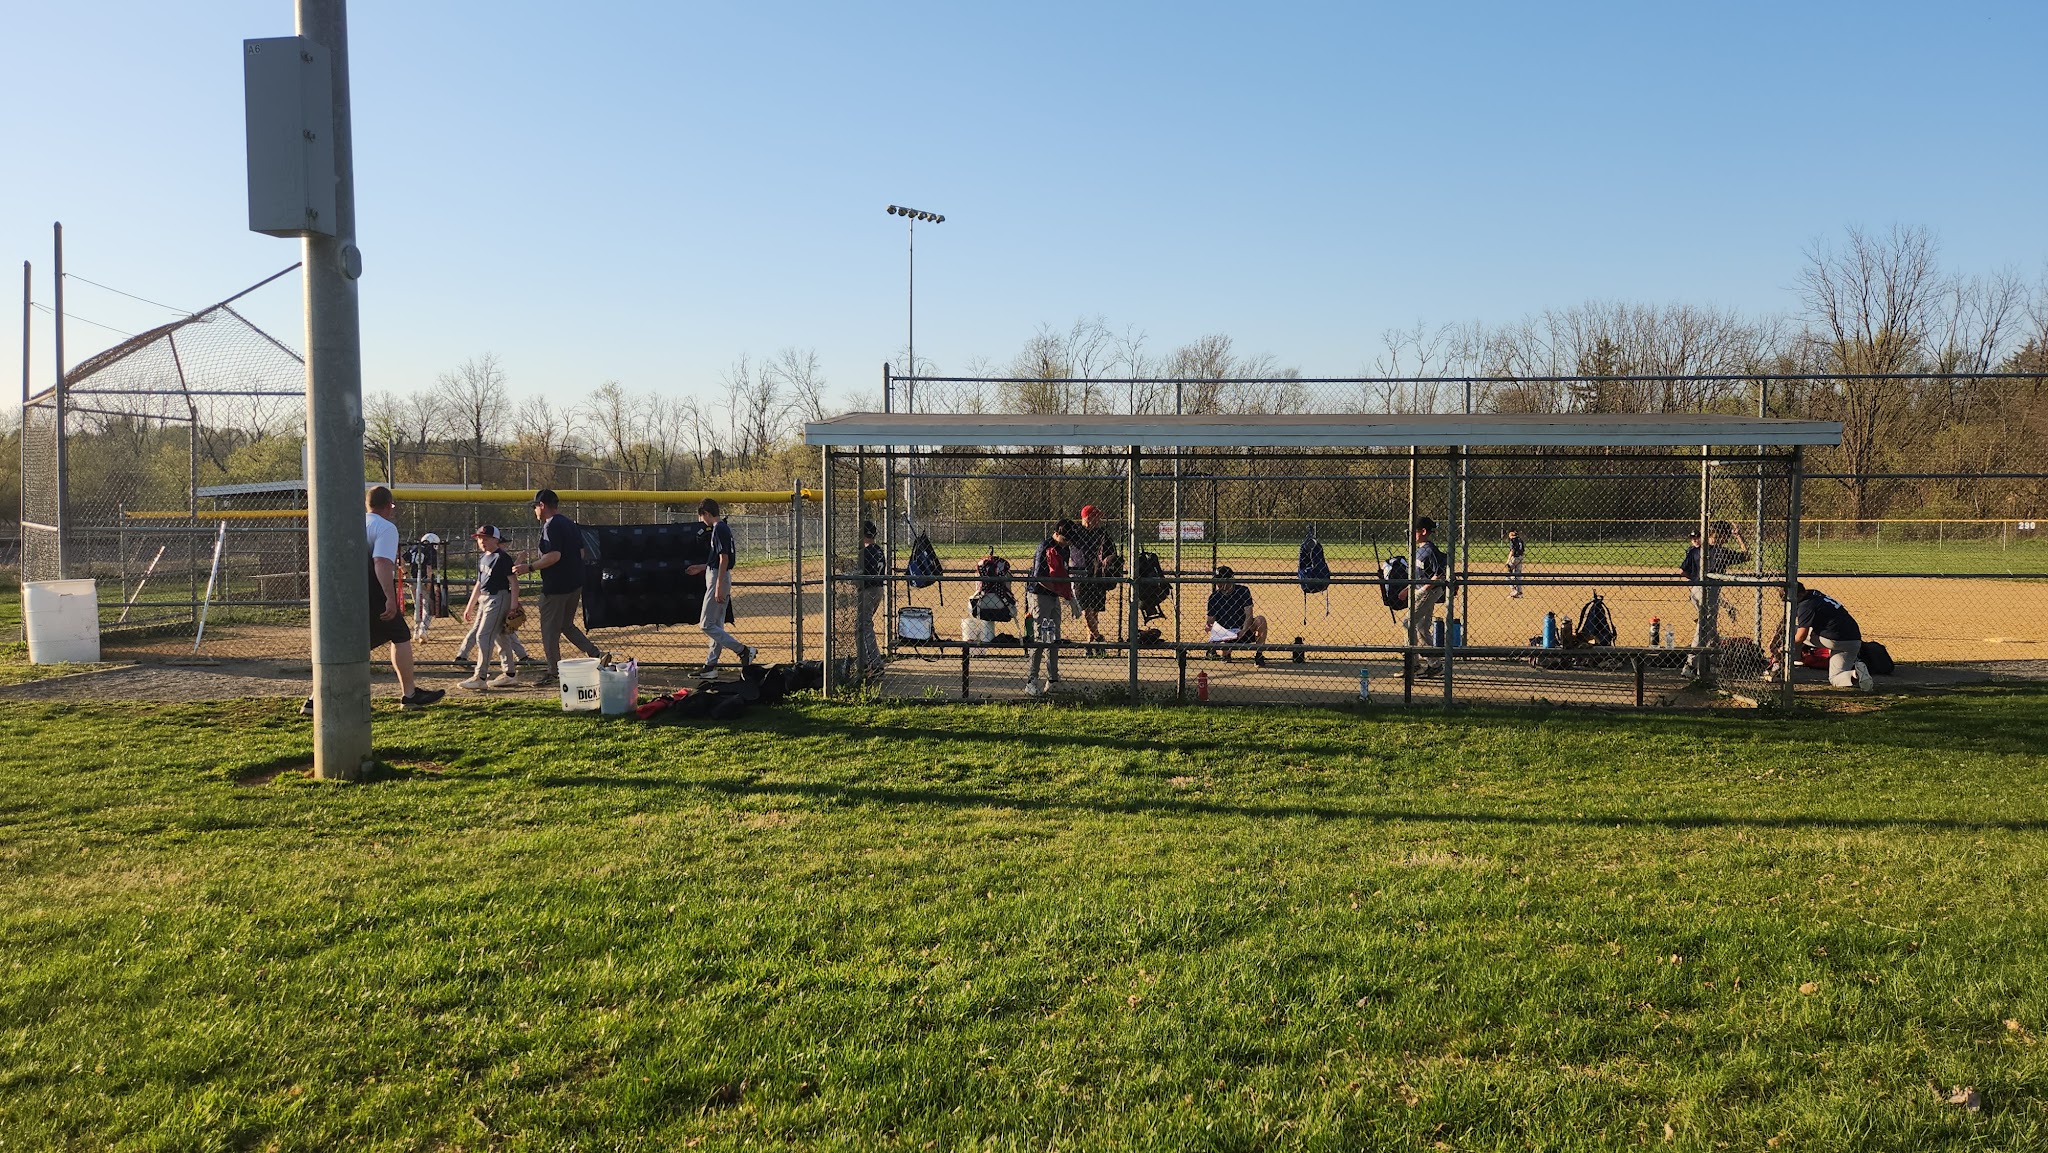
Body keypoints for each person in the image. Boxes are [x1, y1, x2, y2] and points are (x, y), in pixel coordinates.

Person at [511, 489, 603, 686]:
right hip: (574, 584)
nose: (535, 510)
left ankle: (553, 672)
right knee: (566, 625)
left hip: (556, 588)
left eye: (535, 506)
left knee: (550, 630)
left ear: (542, 505)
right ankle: (596, 654)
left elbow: (554, 556)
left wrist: (528, 567)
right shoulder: (569, 523)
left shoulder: (550, 525)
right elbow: (581, 552)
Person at [364, 486, 444, 709]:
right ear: (389, 505)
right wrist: (390, 597)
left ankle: (316, 697)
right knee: (399, 634)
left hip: (347, 589)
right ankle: (410, 694)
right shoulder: (385, 527)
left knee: (359, 641)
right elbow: (381, 562)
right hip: (372, 587)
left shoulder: (354, 522)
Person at [690, 497, 756, 676]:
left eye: (701, 516)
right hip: (718, 574)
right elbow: (719, 559)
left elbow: (724, 559)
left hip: (718, 578)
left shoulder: (719, 528)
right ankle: (710, 666)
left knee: (705, 624)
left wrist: (719, 585)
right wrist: (702, 567)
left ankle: (743, 650)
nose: (701, 520)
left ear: (707, 513)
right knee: (716, 624)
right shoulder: (722, 528)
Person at [456, 524, 521, 691]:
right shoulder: (484, 557)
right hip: (485, 599)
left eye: (486, 538)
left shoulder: (502, 557)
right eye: (479, 538)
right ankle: (510, 675)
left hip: (498, 598)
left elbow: (513, 582)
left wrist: (513, 606)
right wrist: (470, 605)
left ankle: (481, 677)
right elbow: (479, 583)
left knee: (483, 636)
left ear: (496, 539)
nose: (482, 541)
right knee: (500, 636)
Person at [1681, 521, 1749, 676]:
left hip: (1695, 590)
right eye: (1727, 537)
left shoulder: (1696, 549)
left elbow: (1683, 571)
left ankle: (1713, 662)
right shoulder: (1721, 552)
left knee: (1711, 629)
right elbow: (1746, 555)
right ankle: (1690, 666)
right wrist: (1739, 537)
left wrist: (1695, 584)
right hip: (1710, 591)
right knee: (1703, 629)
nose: (1727, 540)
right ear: (1723, 535)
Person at [1776, 583, 1874, 691]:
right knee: (1835, 678)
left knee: (1793, 632)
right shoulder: (1814, 593)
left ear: (1798, 596)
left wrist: (1784, 648)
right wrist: (1775, 638)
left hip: (1834, 639)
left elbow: (1801, 637)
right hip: (1853, 641)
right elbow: (1789, 616)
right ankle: (1857, 674)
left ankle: (1790, 661)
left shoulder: (1806, 605)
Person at [1023, 519, 1077, 696]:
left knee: (1053, 637)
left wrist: (1069, 595)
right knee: (1040, 638)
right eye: (1066, 538)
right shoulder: (1045, 547)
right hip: (1040, 595)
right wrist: (1061, 592)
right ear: (1057, 533)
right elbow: (1040, 577)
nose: (1068, 542)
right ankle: (1032, 681)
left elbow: (1062, 573)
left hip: (1053, 597)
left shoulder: (1065, 548)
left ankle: (1053, 680)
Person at [1068, 504, 1117, 643]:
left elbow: (1111, 552)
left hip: (1097, 575)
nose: (1099, 520)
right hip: (1079, 576)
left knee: (1094, 610)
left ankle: (1090, 643)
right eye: (1097, 517)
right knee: (1086, 610)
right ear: (1088, 518)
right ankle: (1098, 637)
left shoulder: (1102, 533)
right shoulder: (1075, 531)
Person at [1408, 517, 1450, 674]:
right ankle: (1434, 665)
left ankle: (1412, 664)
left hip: (1429, 592)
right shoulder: (1419, 549)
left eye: (1415, 532)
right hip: (1423, 590)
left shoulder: (1430, 549)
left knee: (1408, 623)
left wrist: (1422, 590)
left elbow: (1439, 573)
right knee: (1422, 628)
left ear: (1423, 532)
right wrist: (1407, 589)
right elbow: (1419, 574)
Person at [1204, 565, 1269, 666]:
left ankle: (1259, 655)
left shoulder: (1243, 591)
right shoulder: (1214, 597)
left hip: (1244, 629)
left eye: (1221, 581)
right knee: (1225, 658)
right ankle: (1224, 654)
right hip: (1227, 633)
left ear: (1229, 580)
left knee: (1261, 620)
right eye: (1217, 581)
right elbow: (1211, 620)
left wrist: (1244, 630)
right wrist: (1209, 626)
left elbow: (1249, 613)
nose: (1218, 584)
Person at [856, 519, 887, 676]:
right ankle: (870, 663)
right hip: (878, 589)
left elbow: (860, 573)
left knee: (864, 625)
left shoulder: (866, 551)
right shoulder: (879, 550)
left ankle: (873, 664)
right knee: (864, 624)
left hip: (869, 591)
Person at [1505, 528, 1525, 598]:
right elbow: (1523, 551)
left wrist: (1508, 561)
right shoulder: (1520, 540)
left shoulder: (1512, 540)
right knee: (1518, 575)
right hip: (1520, 558)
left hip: (1514, 558)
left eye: (1509, 533)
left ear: (1512, 533)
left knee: (1507, 575)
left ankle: (1514, 590)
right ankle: (1519, 592)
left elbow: (1512, 551)